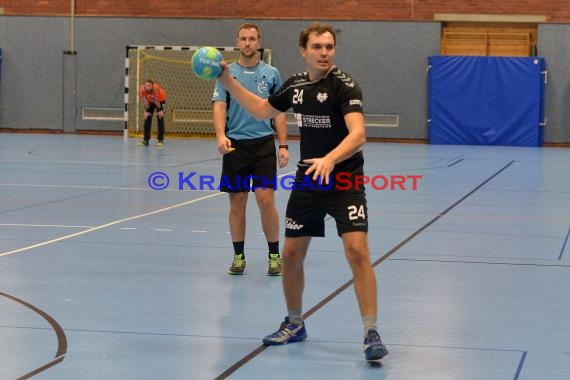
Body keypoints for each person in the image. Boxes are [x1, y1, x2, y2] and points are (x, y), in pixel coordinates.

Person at [217, 24, 388, 361]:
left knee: (357, 250)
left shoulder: (345, 86)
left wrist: (330, 159)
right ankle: (295, 323)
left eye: (329, 47)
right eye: (318, 47)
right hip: (309, 179)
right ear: (304, 50)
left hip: (344, 180)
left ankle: (371, 331)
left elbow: (358, 135)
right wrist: (228, 82)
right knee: (292, 254)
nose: (325, 52)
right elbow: (263, 110)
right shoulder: (295, 86)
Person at [212, 23, 289, 276]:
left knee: (266, 201)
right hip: (236, 146)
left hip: (264, 144)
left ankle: (274, 255)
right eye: (243, 39)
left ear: (259, 42)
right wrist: (221, 135)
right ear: (237, 42)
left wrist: (284, 145)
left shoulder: (272, 73)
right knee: (237, 202)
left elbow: (278, 113)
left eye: (252, 39)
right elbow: (220, 106)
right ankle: (238, 256)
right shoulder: (226, 73)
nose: (247, 43)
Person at [138, 79, 167, 147]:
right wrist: (146, 111)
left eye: (149, 86)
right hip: (150, 102)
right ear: (144, 86)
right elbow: (146, 103)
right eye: (146, 86)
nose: (148, 87)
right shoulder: (141, 91)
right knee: (147, 117)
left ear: (152, 86)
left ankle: (160, 140)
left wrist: (160, 110)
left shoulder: (156, 90)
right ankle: (146, 140)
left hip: (160, 101)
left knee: (160, 117)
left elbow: (157, 103)